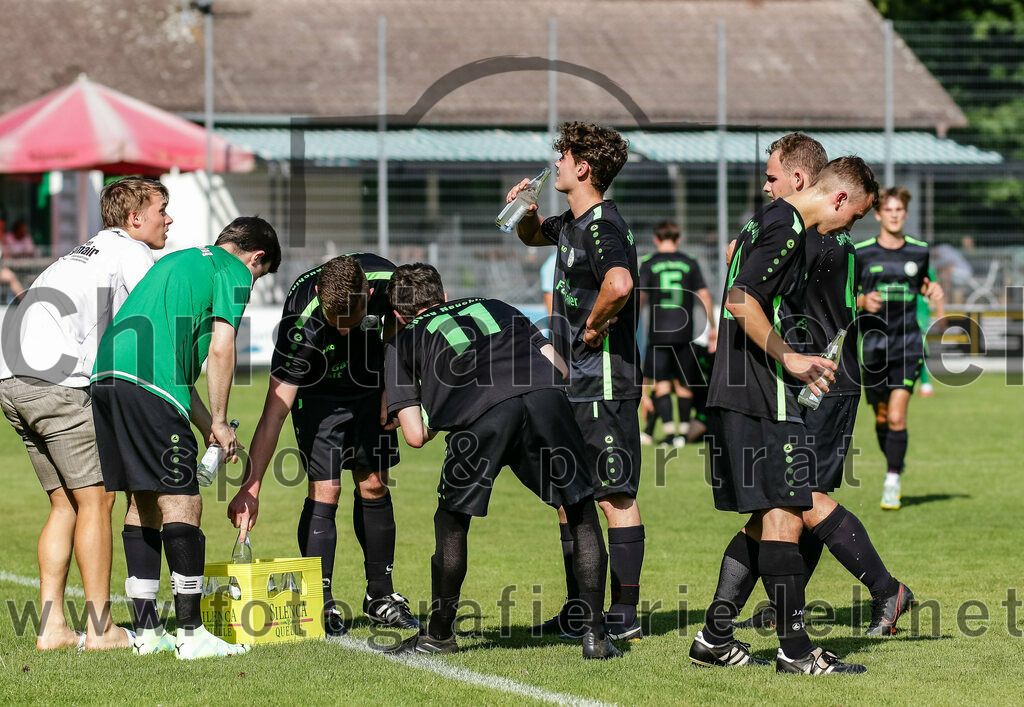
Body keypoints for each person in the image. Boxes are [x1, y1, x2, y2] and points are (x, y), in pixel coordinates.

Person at [690, 156, 878, 675]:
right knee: (788, 510)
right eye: (855, 217)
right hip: (761, 389)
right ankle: (795, 650)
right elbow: (739, 300)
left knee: (771, 513)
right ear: (839, 198)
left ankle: (714, 637)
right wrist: (790, 357)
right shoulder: (787, 226)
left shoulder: (764, 221)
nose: (849, 229)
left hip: (737, 386)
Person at [729, 134, 916, 639]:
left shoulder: (814, 235)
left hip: (824, 382)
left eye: (772, 180)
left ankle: (885, 590)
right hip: (808, 376)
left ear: (802, 182)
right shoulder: (814, 233)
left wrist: (747, 245)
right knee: (784, 501)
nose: (766, 190)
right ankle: (762, 613)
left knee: (798, 496)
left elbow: (747, 275)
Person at [382, 263, 619, 659]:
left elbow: (414, 436)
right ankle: (594, 634)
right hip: (544, 397)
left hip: (482, 416)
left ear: (397, 315)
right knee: (579, 508)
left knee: (452, 521)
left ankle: (438, 635)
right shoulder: (497, 304)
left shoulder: (401, 341)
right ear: (442, 295)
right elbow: (559, 369)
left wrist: (443, 408)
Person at [91, 216, 280, 659]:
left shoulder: (182, 261)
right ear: (256, 258)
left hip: (108, 378)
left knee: (142, 499)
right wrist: (220, 415)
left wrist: (208, 427)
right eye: (259, 273)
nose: (252, 283)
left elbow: (178, 378)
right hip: (148, 384)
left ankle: (148, 631)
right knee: (183, 500)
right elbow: (222, 348)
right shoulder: (233, 272)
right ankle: (192, 634)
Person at [0, 177, 170, 650]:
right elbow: (149, 321)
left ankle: (53, 627)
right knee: (98, 500)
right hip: (55, 382)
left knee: (64, 504)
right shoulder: (131, 252)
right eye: (162, 209)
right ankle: (101, 629)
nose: (168, 219)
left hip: (10, 379)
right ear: (135, 218)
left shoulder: (83, 252)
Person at [227, 253, 419, 636]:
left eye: (352, 321)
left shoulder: (392, 283)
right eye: (337, 325)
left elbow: (405, 326)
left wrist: (394, 391)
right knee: (326, 489)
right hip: (318, 394)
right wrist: (250, 489)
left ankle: (381, 596)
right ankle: (322, 600)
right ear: (318, 295)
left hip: (371, 386)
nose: (344, 332)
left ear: (369, 292)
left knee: (375, 483)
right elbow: (273, 414)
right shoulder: (299, 320)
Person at [506, 121, 646, 641]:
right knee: (572, 497)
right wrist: (526, 211)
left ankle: (625, 615)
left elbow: (620, 282)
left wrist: (590, 328)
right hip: (575, 382)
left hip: (604, 381)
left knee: (615, 498)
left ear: (582, 166)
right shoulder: (570, 223)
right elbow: (529, 237)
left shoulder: (601, 226)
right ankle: (581, 609)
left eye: (561, 157)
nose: (555, 164)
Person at [855, 187, 944, 510]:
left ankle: (892, 479)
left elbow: (921, 282)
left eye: (899, 210)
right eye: (888, 210)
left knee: (896, 415)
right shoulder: (861, 252)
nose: (894, 215)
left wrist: (931, 290)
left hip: (907, 345)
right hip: (874, 347)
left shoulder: (919, 251)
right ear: (878, 215)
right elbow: (844, 296)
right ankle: (895, 459)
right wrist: (862, 301)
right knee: (880, 417)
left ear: (905, 214)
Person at [637, 221, 716, 447]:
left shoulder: (649, 263)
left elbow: (640, 298)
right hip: (684, 334)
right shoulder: (689, 262)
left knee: (661, 385)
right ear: (678, 239)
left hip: (659, 335)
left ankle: (669, 435)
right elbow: (705, 296)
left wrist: (630, 324)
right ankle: (681, 435)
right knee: (684, 386)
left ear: (656, 239)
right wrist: (712, 327)